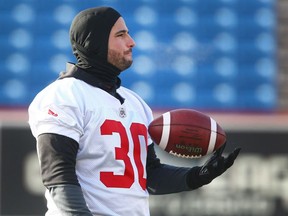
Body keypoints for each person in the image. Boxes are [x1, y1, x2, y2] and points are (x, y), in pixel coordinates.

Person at [28, 6, 241, 216]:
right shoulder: (63, 96)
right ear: (95, 43)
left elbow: (149, 174)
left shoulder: (134, 102)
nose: (132, 42)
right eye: (121, 35)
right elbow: (58, 177)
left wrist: (198, 175)